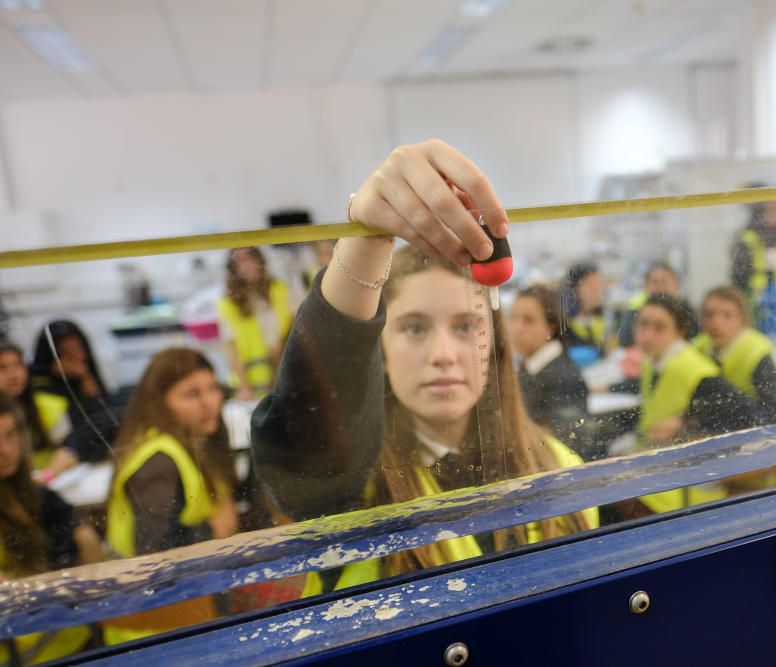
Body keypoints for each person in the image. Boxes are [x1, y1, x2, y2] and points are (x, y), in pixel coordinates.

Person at [251, 140, 596, 593]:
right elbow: (307, 441)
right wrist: (366, 238)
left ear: (493, 346)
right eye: (414, 328)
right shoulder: (354, 488)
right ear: (381, 351)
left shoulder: (558, 465)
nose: (444, 354)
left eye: (465, 326)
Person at [103, 348, 238, 645]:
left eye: (213, 388)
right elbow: (152, 552)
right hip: (155, 631)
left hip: (184, 610)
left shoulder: (187, 443)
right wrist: (216, 529)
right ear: (159, 403)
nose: (209, 403)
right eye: (191, 394)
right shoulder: (160, 461)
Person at [628, 294, 759, 512]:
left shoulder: (693, 369)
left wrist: (685, 424)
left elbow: (745, 416)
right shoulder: (654, 361)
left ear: (679, 332)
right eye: (643, 325)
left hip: (689, 490)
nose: (647, 335)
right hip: (660, 469)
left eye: (659, 328)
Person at [0, 396, 102, 664]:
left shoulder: (34, 493)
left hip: (75, 636)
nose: (6, 450)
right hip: (25, 651)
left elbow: (88, 546)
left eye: (12, 435)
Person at [692, 286, 776, 425]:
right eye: (709, 315)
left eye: (727, 315)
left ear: (743, 319)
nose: (716, 323)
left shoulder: (756, 351)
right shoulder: (698, 348)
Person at [509, 284, 590, 453]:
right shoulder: (529, 367)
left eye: (528, 320)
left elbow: (568, 442)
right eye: (513, 318)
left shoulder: (563, 377)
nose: (517, 328)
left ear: (551, 327)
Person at [29, 319, 117, 464]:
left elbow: (106, 418)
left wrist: (86, 379)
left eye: (78, 347)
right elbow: (74, 428)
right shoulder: (39, 386)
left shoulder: (86, 375)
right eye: (65, 351)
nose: (75, 355)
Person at [217, 247, 293, 399]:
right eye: (240, 260)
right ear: (233, 268)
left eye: (251, 257)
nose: (248, 264)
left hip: (285, 372)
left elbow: (294, 325)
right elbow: (231, 348)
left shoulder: (280, 290)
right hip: (253, 382)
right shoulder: (228, 304)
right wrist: (245, 386)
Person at [0, 341, 78, 480]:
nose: (13, 374)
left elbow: (68, 454)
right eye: (2, 368)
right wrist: (49, 474)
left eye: (18, 365)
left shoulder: (49, 406)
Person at [730, 196, 776, 323]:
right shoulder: (747, 238)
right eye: (770, 210)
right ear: (759, 213)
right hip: (755, 310)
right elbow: (738, 277)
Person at [617, 262, 698, 347]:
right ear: (646, 286)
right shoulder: (635, 308)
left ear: (675, 284)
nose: (660, 287)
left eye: (664, 282)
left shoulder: (686, 308)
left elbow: (695, 336)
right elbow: (625, 340)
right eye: (654, 282)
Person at [562, 262, 609, 361]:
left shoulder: (598, 319)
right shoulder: (562, 323)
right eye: (591, 285)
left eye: (600, 284)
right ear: (574, 290)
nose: (598, 291)